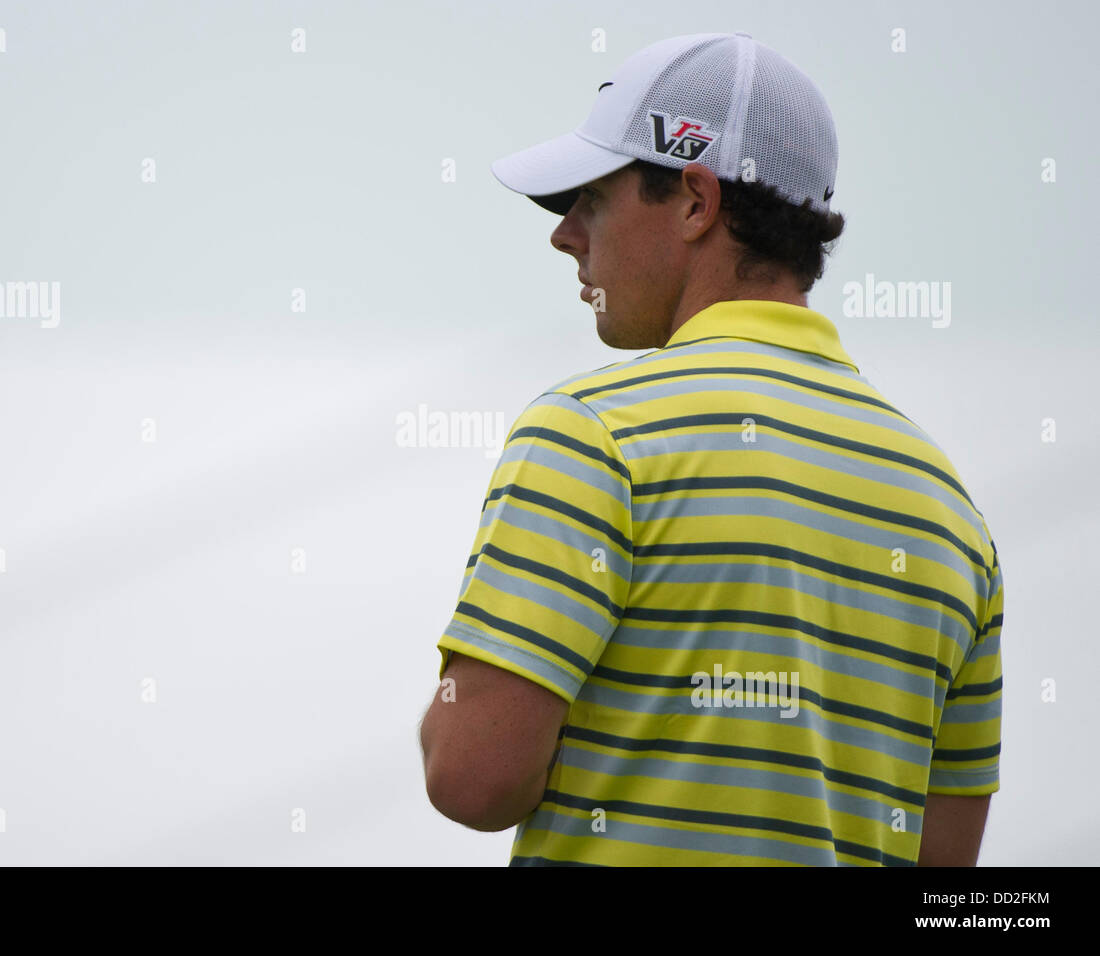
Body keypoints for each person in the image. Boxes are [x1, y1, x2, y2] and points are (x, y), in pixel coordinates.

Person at [418, 32, 1003, 866]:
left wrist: (455, 702)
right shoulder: (950, 509)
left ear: (696, 199)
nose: (565, 238)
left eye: (589, 200)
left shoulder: (591, 434)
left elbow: (472, 779)